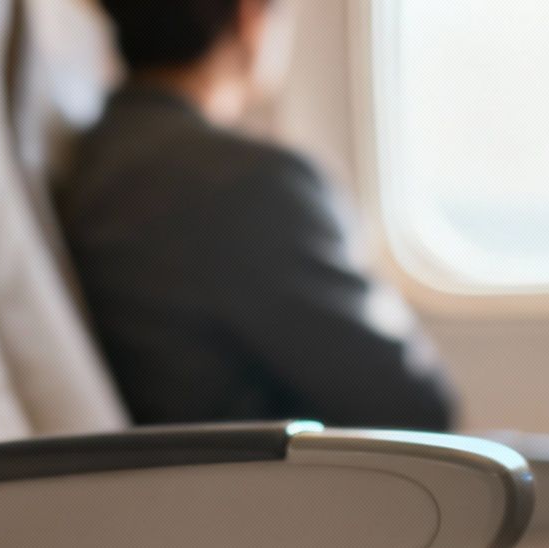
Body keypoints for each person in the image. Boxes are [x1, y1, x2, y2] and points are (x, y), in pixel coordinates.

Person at [58, 0, 454, 431]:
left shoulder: (87, 161)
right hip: (256, 467)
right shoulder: (249, 182)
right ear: (249, 18)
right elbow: (411, 404)